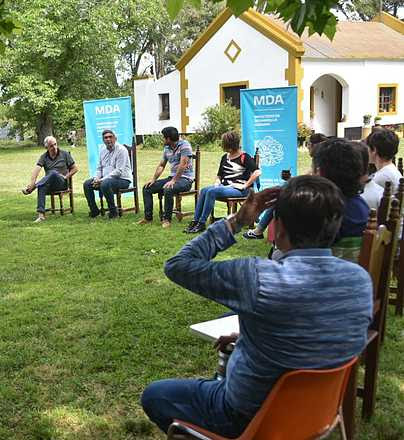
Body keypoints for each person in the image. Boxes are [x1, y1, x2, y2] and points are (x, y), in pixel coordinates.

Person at [141, 176, 372, 438]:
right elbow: (317, 335)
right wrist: (247, 337)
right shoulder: (360, 281)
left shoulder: (257, 277)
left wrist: (237, 221)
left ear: (279, 227)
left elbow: (178, 266)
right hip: (318, 414)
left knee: (156, 395)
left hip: (246, 415)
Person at [243, 132, 327, 240]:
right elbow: (307, 178)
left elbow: (313, 180)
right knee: (280, 192)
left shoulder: (321, 161)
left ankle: (259, 228)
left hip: (317, 194)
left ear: (314, 145)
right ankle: (259, 227)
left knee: (279, 194)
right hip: (315, 191)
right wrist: (290, 179)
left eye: (308, 144)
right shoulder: (318, 159)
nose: (307, 148)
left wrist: (292, 181)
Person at [185, 131, 260, 233]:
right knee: (204, 190)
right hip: (225, 186)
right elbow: (219, 175)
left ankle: (202, 223)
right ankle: (195, 221)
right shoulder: (225, 157)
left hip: (239, 189)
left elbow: (257, 172)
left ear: (230, 145)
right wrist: (216, 183)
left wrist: (245, 185)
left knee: (211, 192)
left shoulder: (244, 157)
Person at [137, 127, 193, 228]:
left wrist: (174, 180)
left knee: (168, 188)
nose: (163, 140)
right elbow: (162, 165)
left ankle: (167, 220)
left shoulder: (185, 145)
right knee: (147, 188)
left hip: (185, 179)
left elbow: (183, 164)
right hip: (172, 178)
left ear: (168, 139)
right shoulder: (167, 148)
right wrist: (153, 179)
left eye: (163, 138)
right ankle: (148, 218)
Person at [22, 135, 78, 223]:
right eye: (51, 146)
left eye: (55, 144)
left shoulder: (64, 154)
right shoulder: (44, 156)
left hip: (62, 183)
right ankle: (41, 215)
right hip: (50, 184)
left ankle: (33, 187)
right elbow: (36, 170)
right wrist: (32, 182)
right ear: (46, 147)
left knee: (53, 173)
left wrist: (66, 176)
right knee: (42, 186)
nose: (54, 147)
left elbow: (75, 169)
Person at [83, 129, 132, 219]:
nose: (108, 139)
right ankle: (94, 211)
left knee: (105, 184)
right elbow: (99, 168)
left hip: (122, 179)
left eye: (110, 137)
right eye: (106, 138)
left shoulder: (122, 150)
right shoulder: (102, 150)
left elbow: (119, 171)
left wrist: (101, 180)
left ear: (115, 138)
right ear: (103, 140)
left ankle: (113, 212)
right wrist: (96, 178)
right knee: (87, 184)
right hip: (105, 180)